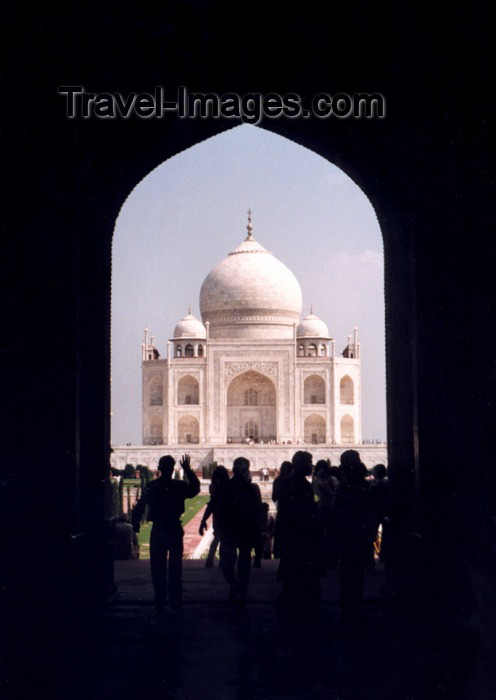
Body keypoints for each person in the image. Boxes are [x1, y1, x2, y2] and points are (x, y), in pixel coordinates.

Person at [132, 454, 200, 614]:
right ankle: (176, 603)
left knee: (158, 568)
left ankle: (160, 602)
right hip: (174, 529)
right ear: (172, 469)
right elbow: (195, 489)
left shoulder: (153, 486)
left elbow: (140, 506)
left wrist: (135, 525)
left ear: (159, 469)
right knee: (175, 568)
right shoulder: (178, 486)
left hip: (159, 531)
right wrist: (188, 471)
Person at [275, 451, 321, 610]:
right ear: (301, 465)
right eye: (309, 462)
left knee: (292, 572)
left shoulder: (291, 483)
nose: (312, 466)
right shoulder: (300, 485)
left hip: (293, 537)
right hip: (299, 537)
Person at [216, 457, 262, 604]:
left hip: (238, 530)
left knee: (233, 562)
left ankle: (238, 588)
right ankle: (239, 588)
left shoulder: (249, 488)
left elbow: (257, 511)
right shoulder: (228, 488)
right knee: (240, 562)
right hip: (239, 529)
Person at [334, 449, 372, 623]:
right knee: (356, 570)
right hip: (358, 531)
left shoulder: (345, 485)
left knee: (348, 569)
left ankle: (348, 606)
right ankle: (355, 604)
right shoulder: (363, 485)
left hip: (347, 531)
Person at [198, 465, 230, 568]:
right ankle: (221, 562)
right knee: (224, 540)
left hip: (218, 516)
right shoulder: (228, 487)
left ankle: (210, 560)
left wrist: (203, 520)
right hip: (226, 516)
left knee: (217, 538)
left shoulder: (214, 487)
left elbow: (211, 505)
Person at [313, 459, 339, 570]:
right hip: (325, 508)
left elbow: (335, 493)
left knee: (329, 535)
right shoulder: (318, 481)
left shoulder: (330, 480)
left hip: (327, 508)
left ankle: (329, 560)